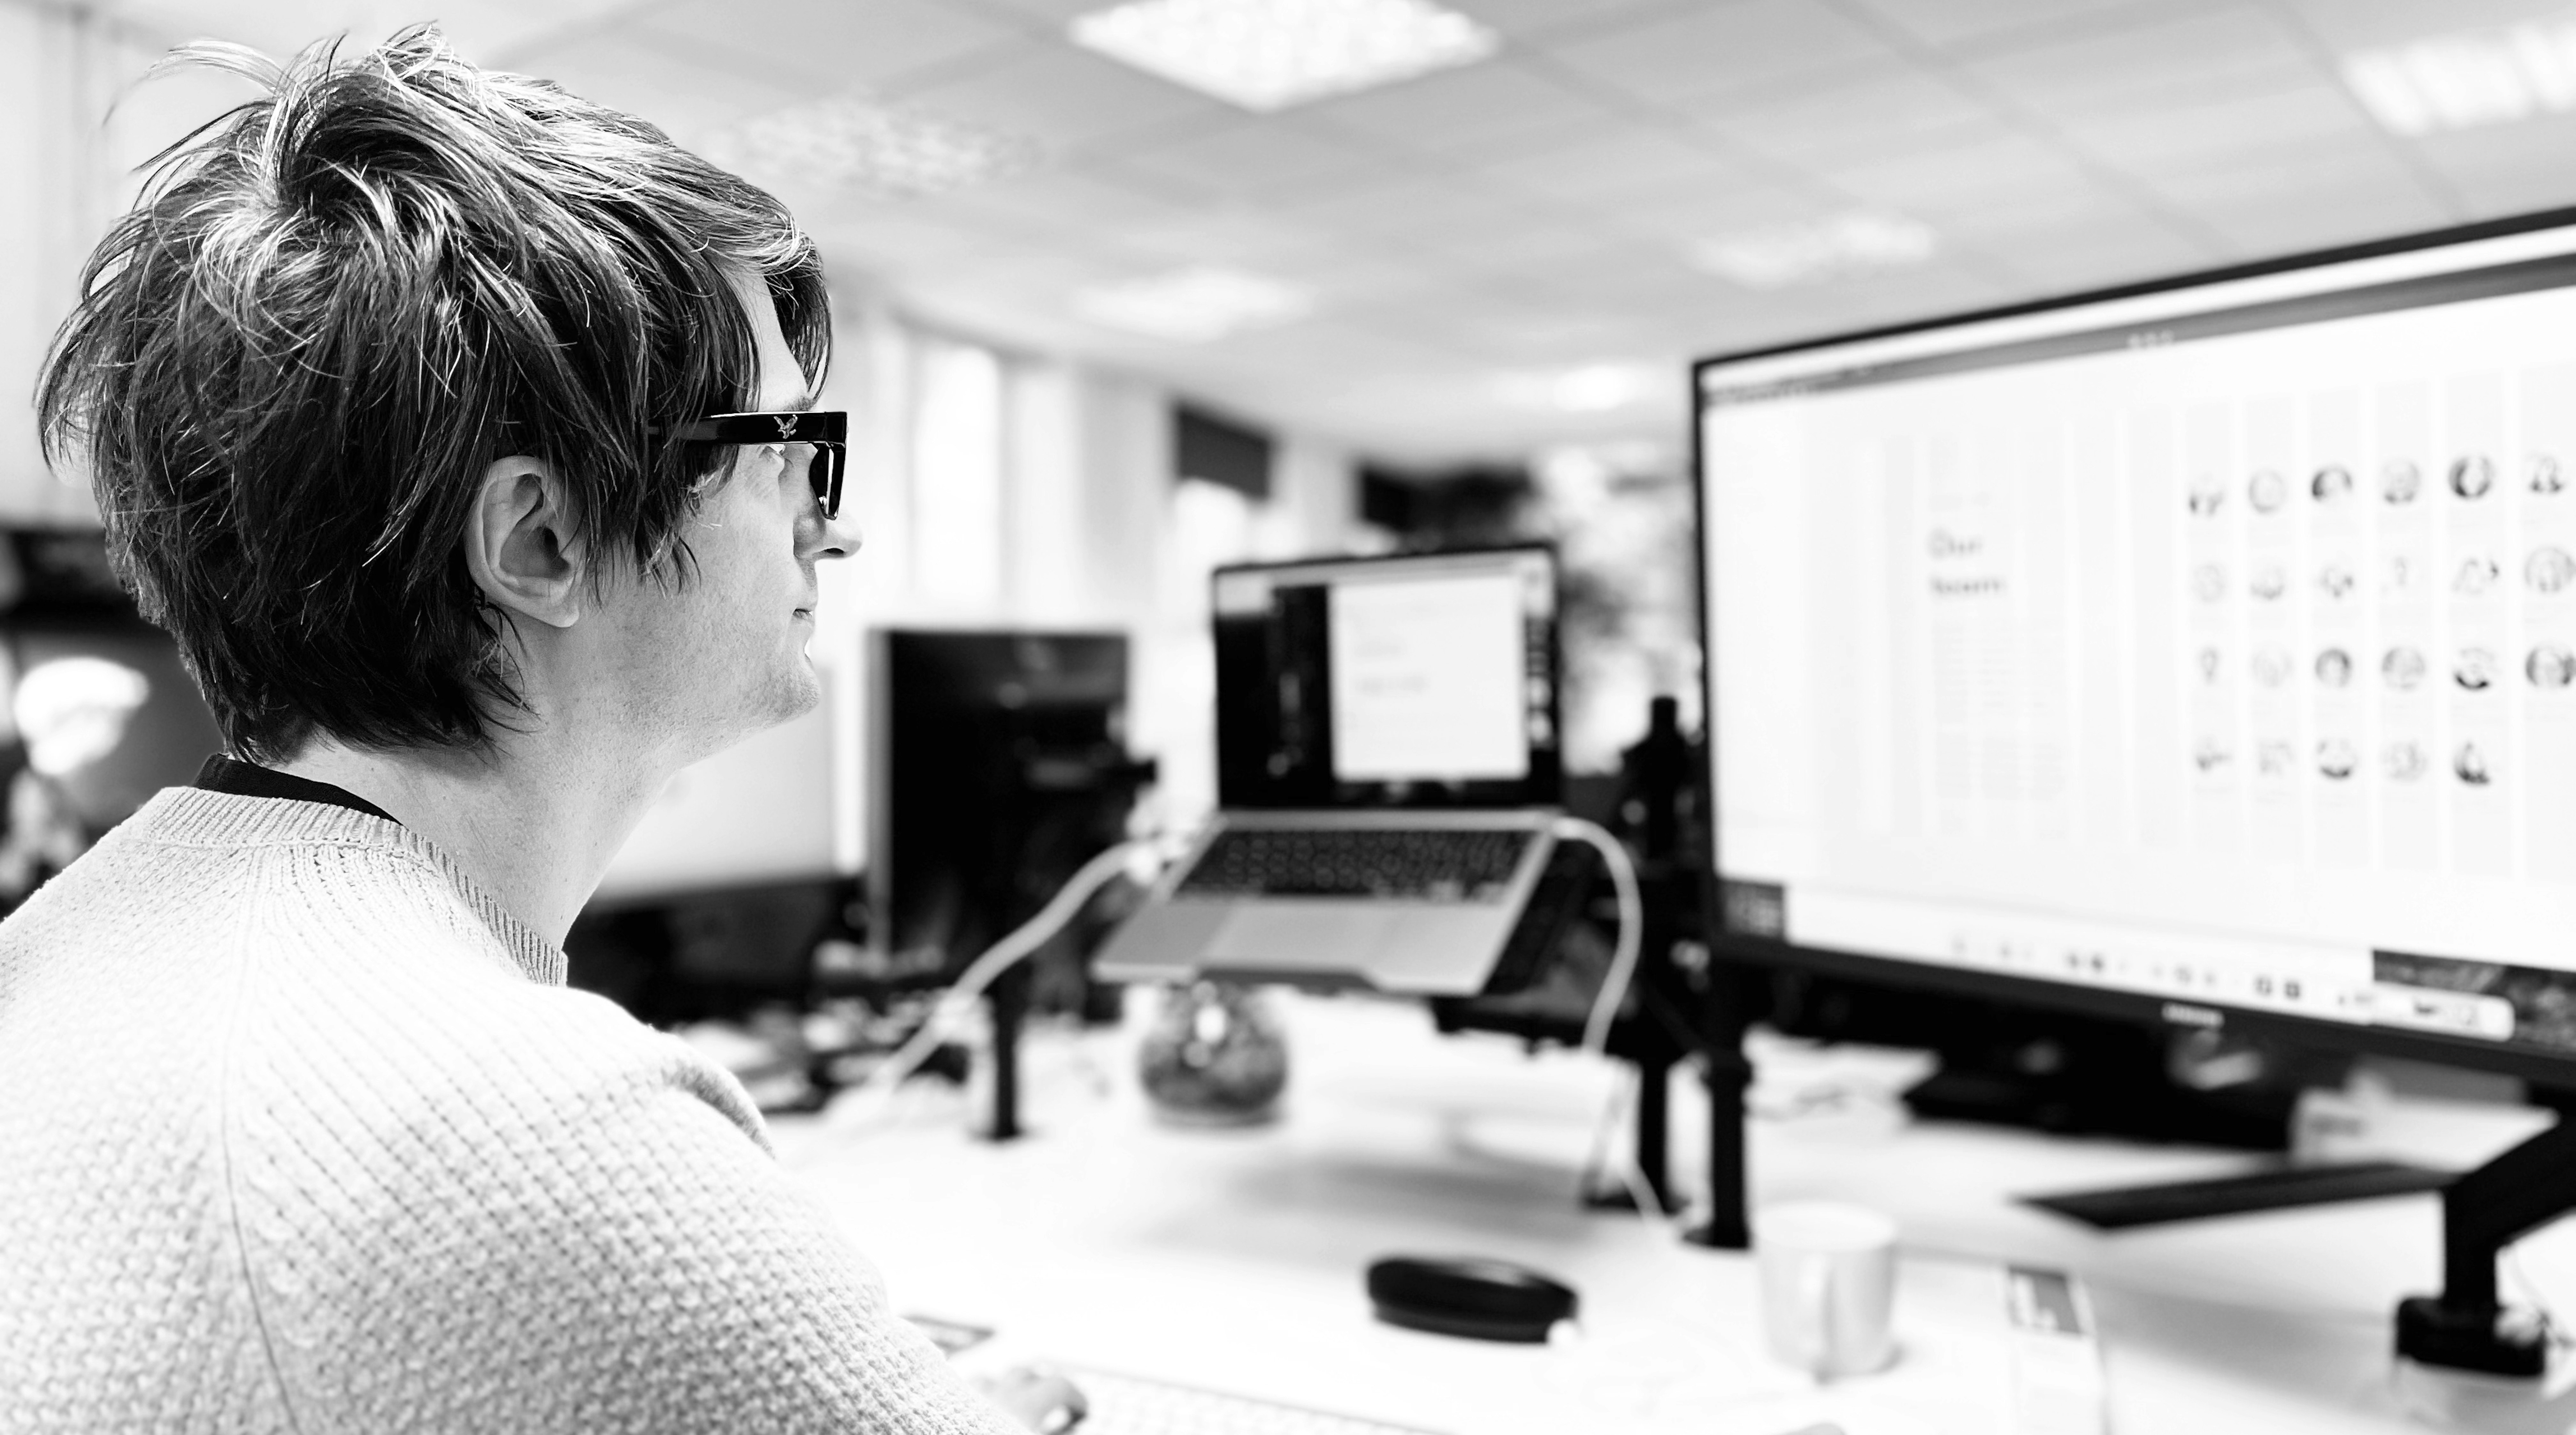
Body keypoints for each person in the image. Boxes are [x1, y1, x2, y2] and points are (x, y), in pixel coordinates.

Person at [2, 29, 1036, 1435]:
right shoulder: (531, 1132)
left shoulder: (61, 950)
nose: (829, 525)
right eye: (784, 448)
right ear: (540, 539)